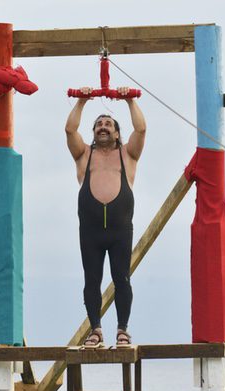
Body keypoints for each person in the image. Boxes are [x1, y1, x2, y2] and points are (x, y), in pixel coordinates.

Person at [64, 87, 146, 347]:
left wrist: (130, 100)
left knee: (122, 278)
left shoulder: (128, 154)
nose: (103, 127)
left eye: (108, 124)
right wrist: (81, 102)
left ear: (117, 132)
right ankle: (96, 330)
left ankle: (122, 329)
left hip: (120, 230)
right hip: (91, 231)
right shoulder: (84, 155)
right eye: (99, 124)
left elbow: (141, 129)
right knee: (92, 280)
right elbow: (69, 130)